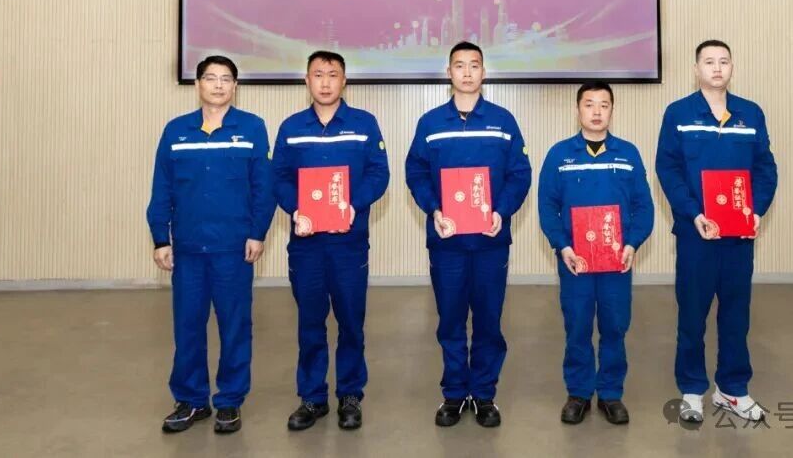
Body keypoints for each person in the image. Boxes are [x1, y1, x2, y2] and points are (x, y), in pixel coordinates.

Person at [404, 41, 532, 428]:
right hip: (448, 243)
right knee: (451, 320)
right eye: (459, 65)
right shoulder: (430, 123)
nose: (466, 72)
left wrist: (501, 211)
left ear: (483, 72)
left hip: (491, 242)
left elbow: (520, 174)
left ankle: (485, 394)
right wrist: (434, 209)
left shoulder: (503, 121)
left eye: (474, 65)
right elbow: (416, 172)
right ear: (449, 73)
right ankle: (454, 393)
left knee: (489, 320)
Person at [146, 55, 276, 434]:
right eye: (210, 78)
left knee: (235, 326)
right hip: (188, 250)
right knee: (188, 326)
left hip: (233, 249)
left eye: (226, 79)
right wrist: (160, 237)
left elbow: (263, 188)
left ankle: (230, 401)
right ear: (198, 84)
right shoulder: (176, 131)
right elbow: (162, 188)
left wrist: (257, 232)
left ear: (235, 86)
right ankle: (191, 400)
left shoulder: (252, 128)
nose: (218, 85)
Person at [655, 40, 778, 423]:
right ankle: (692, 390)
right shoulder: (679, 114)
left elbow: (765, 168)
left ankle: (732, 389)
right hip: (697, 235)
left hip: (739, 237)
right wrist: (692, 214)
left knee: (736, 314)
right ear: (697, 69)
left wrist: (756, 211)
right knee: (692, 315)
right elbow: (667, 169)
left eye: (724, 61)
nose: (717, 68)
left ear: (732, 67)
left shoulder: (750, 114)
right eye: (709, 62)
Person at [272, 51, 390, 431]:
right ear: (307, 80)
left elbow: (379, 173)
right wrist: (296, 209)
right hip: (306, 244)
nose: (325, 82)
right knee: (310, 322)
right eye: (318, 74)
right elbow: (279, 177)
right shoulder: (291, 127)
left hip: (348, 242)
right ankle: (312, 397)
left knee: (351, 321)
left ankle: (350, 395)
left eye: (333, 74)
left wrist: (354, 205)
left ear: (344, 81)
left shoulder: (364, 124)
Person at [538, 81, 654, 425]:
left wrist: (632, 243)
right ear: (578, 110)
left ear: (612, 110)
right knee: (577, 325)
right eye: (589, 104)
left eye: (604, 104)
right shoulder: (559, 155)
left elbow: (643, 206)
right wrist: (562, 246)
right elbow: (547, 206)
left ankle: (610, 393)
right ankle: (578, 392)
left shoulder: (627, 154)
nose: (597, 111)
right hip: (576, 262)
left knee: (615, 326)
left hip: (616, 262)